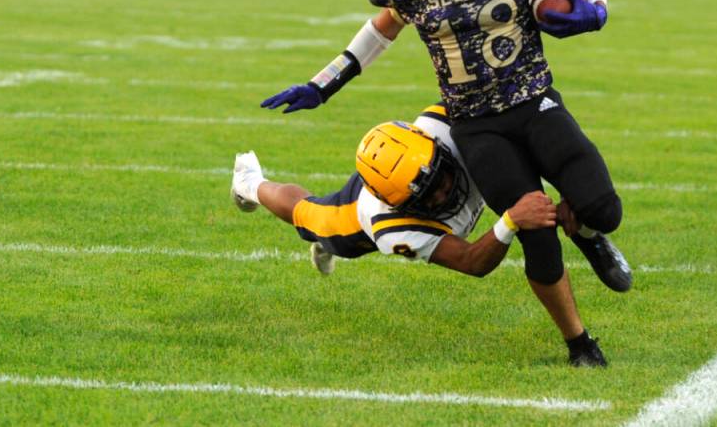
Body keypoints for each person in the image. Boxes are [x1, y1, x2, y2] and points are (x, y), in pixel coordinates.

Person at [261, 0, 631, 364]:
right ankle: (579, 343)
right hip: (476, 126)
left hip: (535, 101)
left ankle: (587, 233)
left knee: (603, 209)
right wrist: (324, 84)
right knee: (536, 239)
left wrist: (598, 9)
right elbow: (383, 28)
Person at [231, 104, 607, 367]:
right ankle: (250, 182)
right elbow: (471, 262)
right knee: (309, 216)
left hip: (400, 173)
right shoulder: (389, 223)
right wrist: (509, 221)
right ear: (403, 204)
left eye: (441, 178)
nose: (445, 193)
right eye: (430, 194)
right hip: (357, 217)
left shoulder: (445, 124)